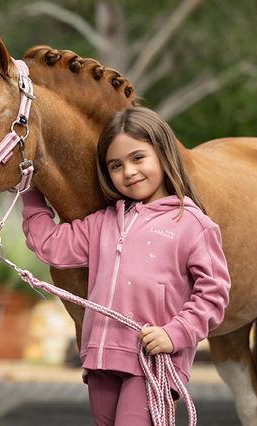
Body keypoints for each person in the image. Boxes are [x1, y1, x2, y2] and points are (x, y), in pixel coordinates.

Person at [21, 106, 231, 425]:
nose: (129, 172)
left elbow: (213, 295)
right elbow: (50, 245)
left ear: (162, 154)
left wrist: (175, 333)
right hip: (102, 360)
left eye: (138, 158)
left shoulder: (191, 223)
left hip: (154, 360)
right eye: (116, 165)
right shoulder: (103, 223)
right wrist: (30, 192)